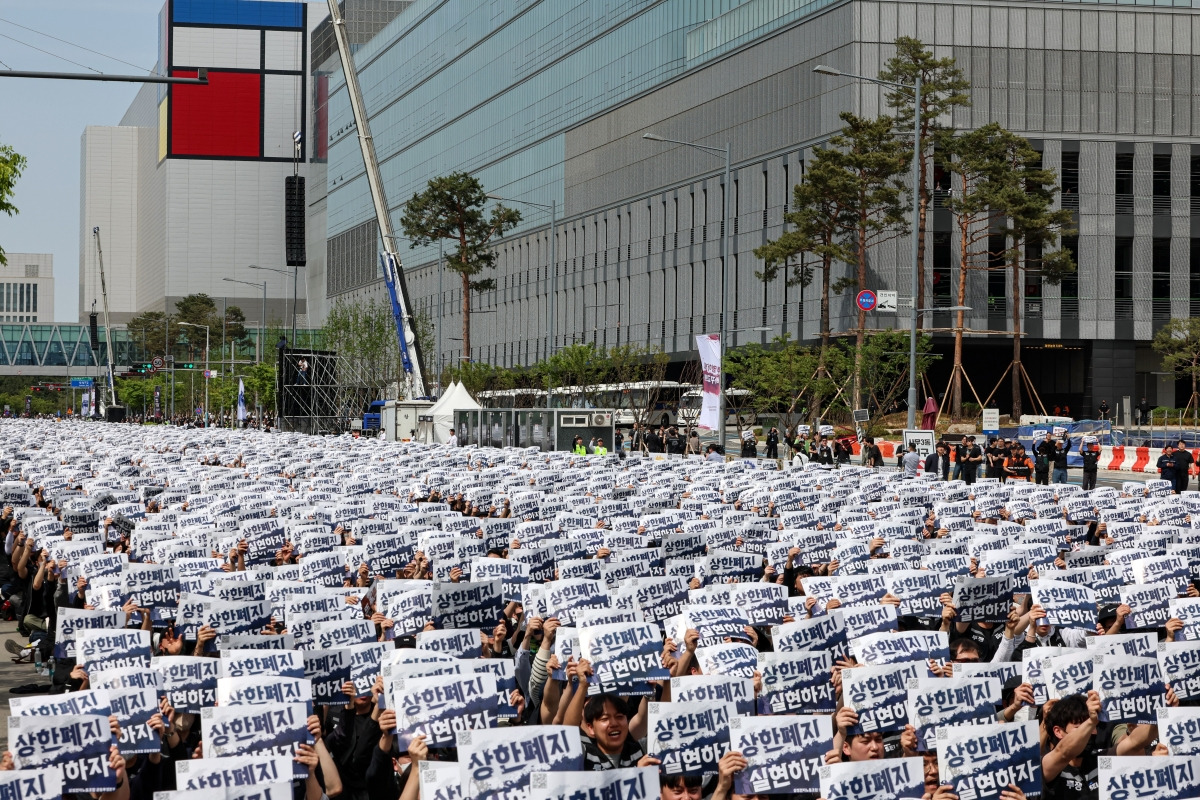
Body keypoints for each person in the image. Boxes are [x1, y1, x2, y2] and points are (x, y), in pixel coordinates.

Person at [1041, 692, 1103, 800]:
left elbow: (1132, 744)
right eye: (1079, 727)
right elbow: (1063, 753)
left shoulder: (1102, 758)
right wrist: (1091, 721)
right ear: (1058, 732)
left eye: (1093, 727)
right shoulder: (1049, 764)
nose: (1088, 733)